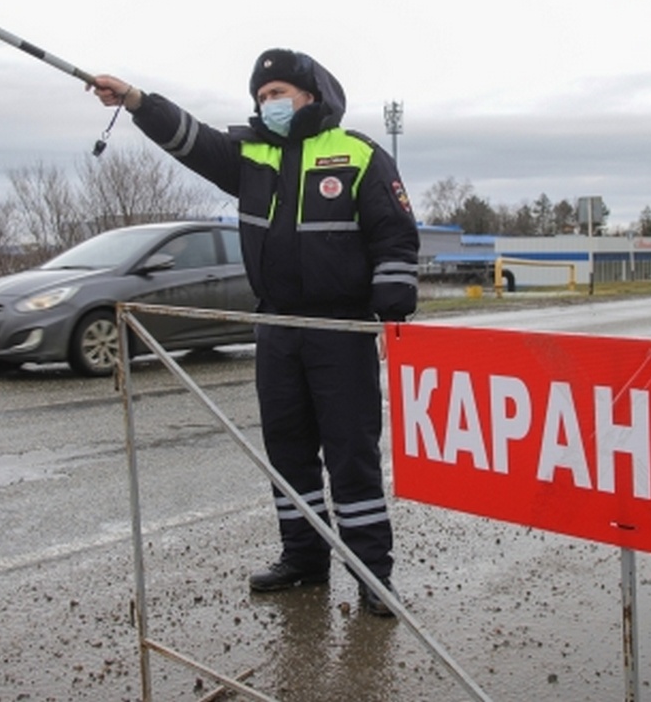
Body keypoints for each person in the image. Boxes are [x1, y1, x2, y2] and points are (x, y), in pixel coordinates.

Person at [89, 49, 420, 617]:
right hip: (275, 327)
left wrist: (392, 299)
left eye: (281, 93)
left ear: (311, 97)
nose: (271, 104)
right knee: (288, 450)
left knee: (351, 455)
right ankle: (304, 560)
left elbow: (396, 235)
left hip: (337, 329)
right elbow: (188, 138)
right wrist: (137, 102)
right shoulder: (248, 155)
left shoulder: (358, 153)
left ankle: (373, 575)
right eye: (263, 97)